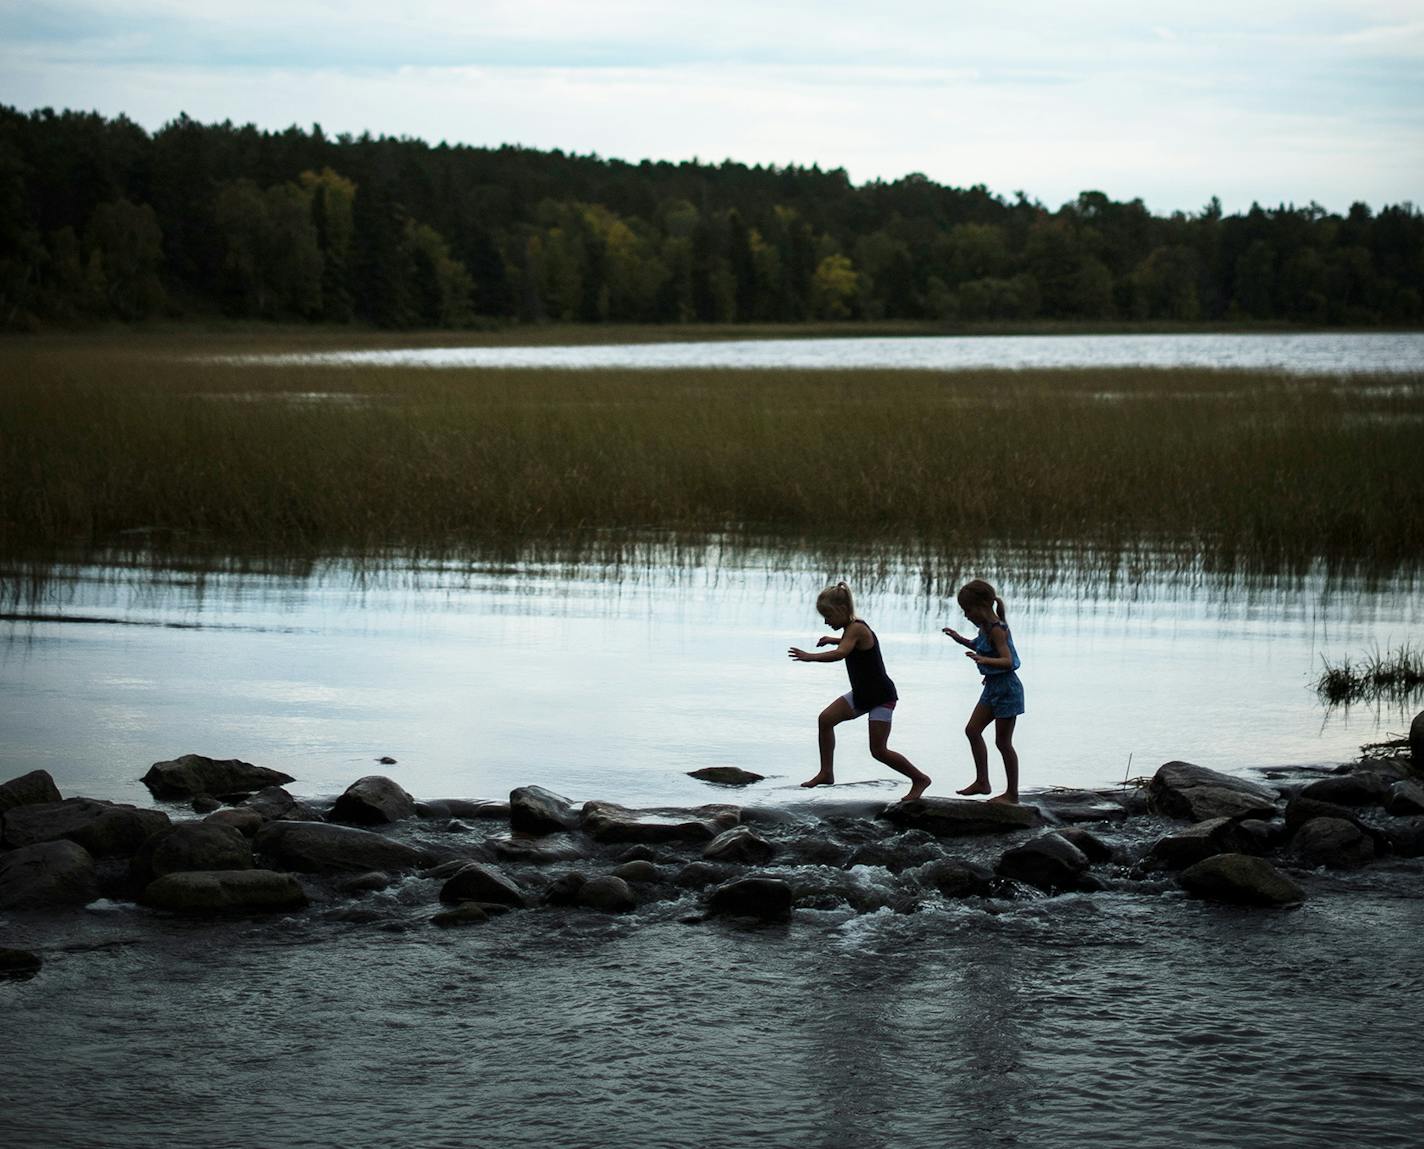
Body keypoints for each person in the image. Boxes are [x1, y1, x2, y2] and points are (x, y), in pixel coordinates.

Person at [788, 581, 932, 801]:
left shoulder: (857, 628)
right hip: (863, 693)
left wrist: (810, 657)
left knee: (879, 750)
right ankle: (826, 772)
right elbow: (848, 643)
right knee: (825, 719)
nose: (826, 622)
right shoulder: (851, 629)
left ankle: (920, 779)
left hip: (882, 697)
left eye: (828, 616)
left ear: (842, 610)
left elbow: (842, 653)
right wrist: (833, 639)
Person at [942, 579, 1023, 804]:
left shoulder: (998, 630)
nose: (966, 615)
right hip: (992, 688)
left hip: (1007, 689)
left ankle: (1012, 794)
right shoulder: (984, 628)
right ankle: (982, 782)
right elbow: (979, 646)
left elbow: (1008, 661)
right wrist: (960, 639)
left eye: (968, 610)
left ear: (983, 606)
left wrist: (983, 659)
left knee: (1003, 742)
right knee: (972, 730)